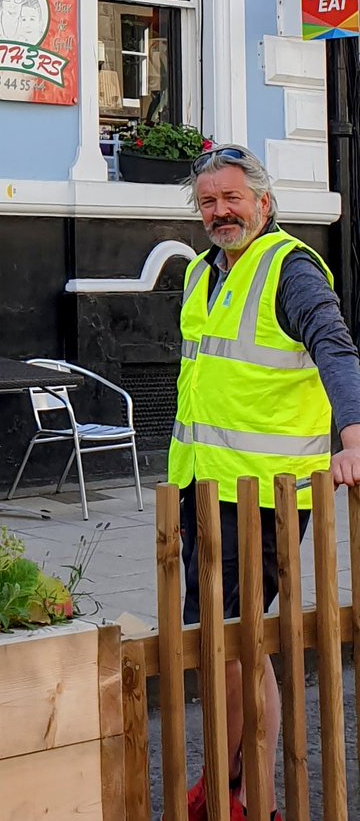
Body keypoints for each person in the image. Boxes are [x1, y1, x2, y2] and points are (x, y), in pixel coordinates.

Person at [173, 144, 360, 821]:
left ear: (264, 201)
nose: (219, 211)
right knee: (225, 643)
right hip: (202, 484)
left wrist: (353, 436)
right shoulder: (203, 272)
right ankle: (231, 784)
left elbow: (334, 345)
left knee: (239, 641)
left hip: (264, 495)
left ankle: (243, 792)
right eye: (208, 201)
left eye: (230, 198)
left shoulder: (291, 268)